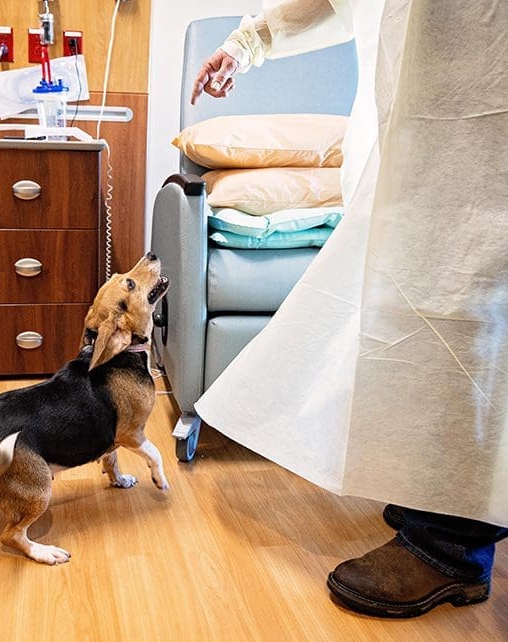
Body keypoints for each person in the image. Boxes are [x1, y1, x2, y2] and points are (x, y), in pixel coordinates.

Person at [191, 0, 508, 618]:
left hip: (479, 112)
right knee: (421, 311)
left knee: (461, 308)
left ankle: (449, 545)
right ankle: (436, 504)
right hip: (430, 118)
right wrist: (249, 43)